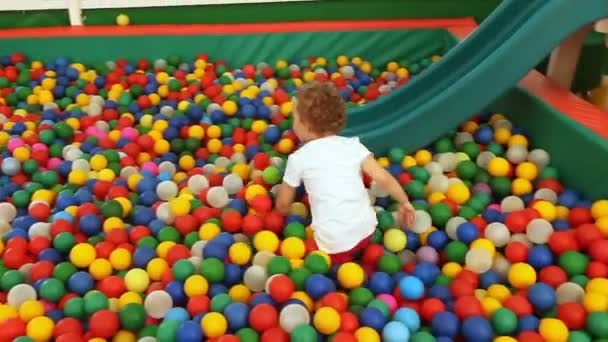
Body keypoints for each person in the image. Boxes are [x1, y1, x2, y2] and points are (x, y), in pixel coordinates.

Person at [275, 81, 416, 264]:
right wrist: (405, 202)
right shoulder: (352, 145)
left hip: (333, 246)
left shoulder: (299, 158)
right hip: (367, 232)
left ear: (306, 124)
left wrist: (283, 217)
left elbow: (283, 205)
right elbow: (383, 177)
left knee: (314, 259)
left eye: (294, 118)